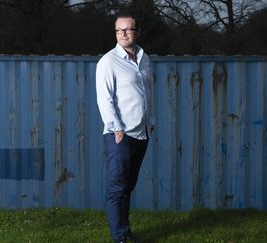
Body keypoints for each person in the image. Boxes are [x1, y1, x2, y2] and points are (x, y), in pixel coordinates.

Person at [95, 13, 155, 243]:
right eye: (119, 30)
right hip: (119, 134)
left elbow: (147, 92)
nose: (123, 34)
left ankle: (125, 231)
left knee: (128, 186)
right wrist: (117, 129)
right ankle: (120, 237)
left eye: (128, 29)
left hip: (142, 132)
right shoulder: (108, 61)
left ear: (137, 32)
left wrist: (151, 121)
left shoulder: (144, 58)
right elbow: (104, 99)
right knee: (117, 187)